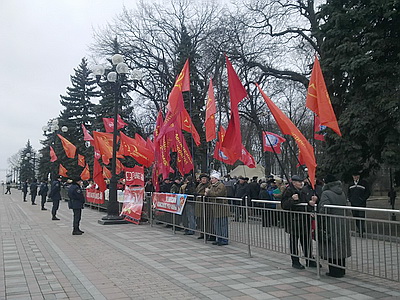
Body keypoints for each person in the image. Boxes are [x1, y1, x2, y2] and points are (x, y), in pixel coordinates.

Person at [281, 175, 318, 269]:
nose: (301, 183)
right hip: (294, 221)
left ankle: (309, 259)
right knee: (294, 242)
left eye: (301, 181)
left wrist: (310, 204)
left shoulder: (303, 191)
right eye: (298, 181)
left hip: (305, 220)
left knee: (306, 241)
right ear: (293, 182)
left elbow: (305, 203)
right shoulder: (289, 191)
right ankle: (295, 261)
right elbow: (284, 205)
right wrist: (292, 200)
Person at [318, 174, 351, 278]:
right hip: (342, 221)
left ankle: (334, 271)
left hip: (331, 222)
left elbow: (324, 209)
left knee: (332, 246)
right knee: (341, 245)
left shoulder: (326, 193)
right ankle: (342, 270)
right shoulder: (341, 192)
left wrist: (319, 218)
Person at [205, 171, 228, 246]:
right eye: (211, 178)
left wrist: (208, 192)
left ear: (217, 179)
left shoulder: (221, 186)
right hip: (215, 207)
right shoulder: (212, 186)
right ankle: (219, 238)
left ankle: (224, 239)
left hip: (221, 207)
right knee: (217, 224)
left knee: (222, 224)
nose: (211, 180)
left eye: (213, 178)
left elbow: (217, 194)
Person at [348, 170, 370, 236]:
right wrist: (350, 199)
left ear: (359, 176)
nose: (355, 177)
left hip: (361, 203)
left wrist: (363, 199)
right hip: (353, 203)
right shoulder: (351, 184)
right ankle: (359, 228)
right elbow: (348, 193)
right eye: (354, 176)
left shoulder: (364, 183)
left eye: (356, 176)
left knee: (361, 216)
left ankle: (361, 230)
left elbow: (368, 192)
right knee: (355, 216)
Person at [195, 173, 214, 240]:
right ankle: (202, 233)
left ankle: (208, 234)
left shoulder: (209, 185)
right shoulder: (199, 185)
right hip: (200, 204)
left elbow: (207, 193)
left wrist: (202, 194)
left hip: (206, 204)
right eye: (202, 179)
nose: (203, 180)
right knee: (201, 220)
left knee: (208, 220)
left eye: (205, 179)